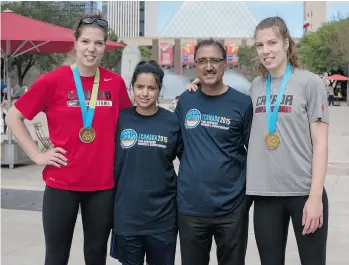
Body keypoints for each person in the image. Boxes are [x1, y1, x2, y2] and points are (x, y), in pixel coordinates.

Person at [5, 13, 132, 265]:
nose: (91, 49)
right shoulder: (53, 80)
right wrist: (36, 155)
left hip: (102, 186)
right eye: (85, 42)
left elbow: (132, 122)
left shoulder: (114, 83)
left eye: (98, 43)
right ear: (74, 43)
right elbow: (13, 117)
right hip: (61, 183)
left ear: (104, 47)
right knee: (56, 255)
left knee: (96, 255)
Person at [246, 17, 329, 265]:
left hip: (303, 192)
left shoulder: (310, 83)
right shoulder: (256, 86)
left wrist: (315, 197)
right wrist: (199, 88)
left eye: (272, 42)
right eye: (260, 45)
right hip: (265, 195)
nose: (266, 50)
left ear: (286, 43)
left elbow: (321, 144)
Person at [176, 39, 253, 265]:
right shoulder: (186, 100)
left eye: (215, 60)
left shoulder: (242, 103)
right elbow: (178, 146)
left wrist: (244, 199)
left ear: (225, 63)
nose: (208, 66)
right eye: (202, 61)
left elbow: (254, 153)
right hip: (191, 208)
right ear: (195, 66)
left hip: (232, 209)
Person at [110, 60, 182, 265]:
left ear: (160, 90)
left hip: (164, 218)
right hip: (127, 217)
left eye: (151, 88)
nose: (144, 93)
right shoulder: (120, 120)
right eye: (140, 87)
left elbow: (189, 158)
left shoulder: (171, 121)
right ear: (132, 86)